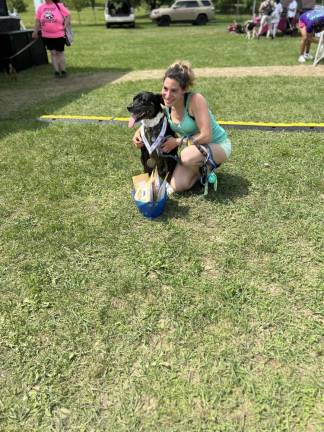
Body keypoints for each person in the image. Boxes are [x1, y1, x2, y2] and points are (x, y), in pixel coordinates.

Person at [132, 61, 232, 193]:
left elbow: (207, 136)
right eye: (165, 88)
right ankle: (201, 171)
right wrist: (138, 132)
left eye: (174, 90)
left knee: (186, 156)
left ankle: (207, 165)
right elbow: (155, 119)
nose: (167, 95)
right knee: (176, 185)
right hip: (195, 149)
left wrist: (178, 142)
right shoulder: (166, 105)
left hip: (217, 145)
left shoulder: (195, 100)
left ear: (184, 90)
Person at [32, 0, 71, 78]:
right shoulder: (41, 8)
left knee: (60, 52)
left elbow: (68, 15)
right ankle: (56, 71)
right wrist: (35, 32)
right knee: (53, 53)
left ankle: (63, 71)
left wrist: (65, 25)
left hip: (59, 34)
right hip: (47, 35)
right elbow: (37, 21)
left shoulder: (59, 5)